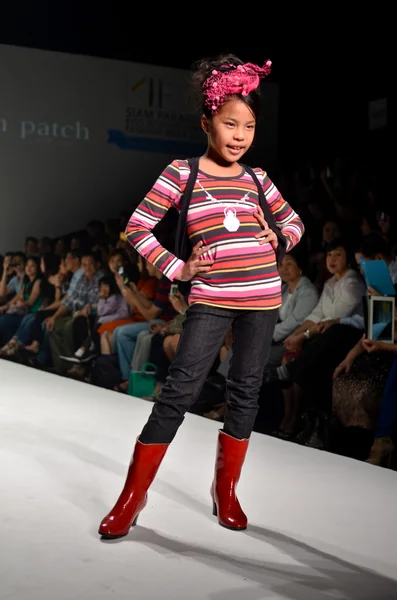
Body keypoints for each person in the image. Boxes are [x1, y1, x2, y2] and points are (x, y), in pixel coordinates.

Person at [98, 54, 304, 539]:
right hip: (211, 297)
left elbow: (294, 223)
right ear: (206, 122)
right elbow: (138, 228)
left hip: (262, 299)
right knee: (180, 391)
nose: (239, 135)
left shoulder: (258, 180)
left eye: (249, 127)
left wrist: (281, 239)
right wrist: (179, 267)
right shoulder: (182, 173)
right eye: (230, 124)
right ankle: (133, 495)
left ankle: (225, 489)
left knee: (246, 391)